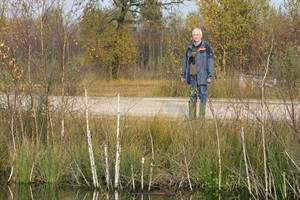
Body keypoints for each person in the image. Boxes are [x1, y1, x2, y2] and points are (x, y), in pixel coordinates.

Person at [180, 28, 214, 120]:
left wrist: (210, 76)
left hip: (203, 77)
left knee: (203, 95)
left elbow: (210, 62)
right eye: (194, 35)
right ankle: (192, 118)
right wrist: (183, 75)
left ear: (201, 36)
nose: (196, 36)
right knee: (192, 96)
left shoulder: (206, 47)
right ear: (192, 36)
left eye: (198, 34)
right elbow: (186, 62)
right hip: (192, 77)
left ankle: (201, 118)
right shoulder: (190, 48)